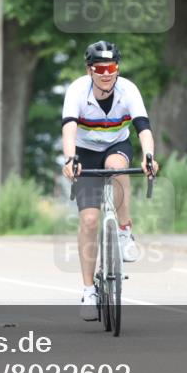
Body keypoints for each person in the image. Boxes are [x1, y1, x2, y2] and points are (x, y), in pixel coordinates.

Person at [61, 41, 158, 321]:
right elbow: (69, 130)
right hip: (85, 152)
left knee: (117, 169)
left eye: (112, 67)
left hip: (117, 145)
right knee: (89, 221)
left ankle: (124, 231)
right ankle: (89, 289)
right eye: (100, 68)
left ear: (118, 68)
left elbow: (143, 128)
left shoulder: (129, 90)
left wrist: (149, 156)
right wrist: (70, 159)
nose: (106, 74)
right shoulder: (77, 90)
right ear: (89, 69)